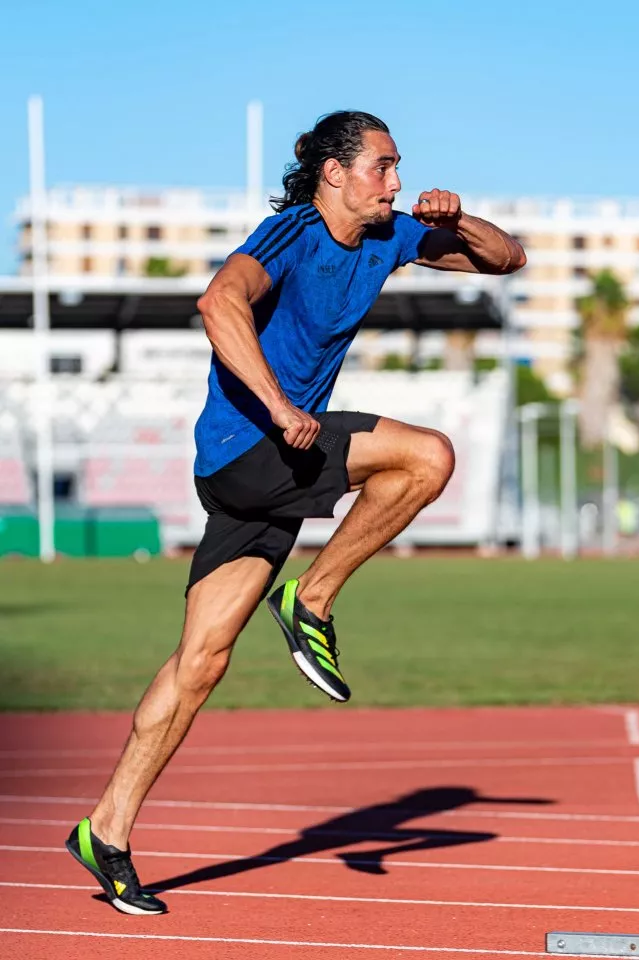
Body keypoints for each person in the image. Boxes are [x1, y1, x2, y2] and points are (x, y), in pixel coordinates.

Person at [64, 110, 526, 915]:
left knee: (200, 662)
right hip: (253, 452)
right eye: (383, 167)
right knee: (429, 456)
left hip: (270, 476)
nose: (397, 181)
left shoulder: (393, 235)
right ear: (334, 173)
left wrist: (461, 218)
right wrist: (277, 406)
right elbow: (217, 303)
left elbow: (506, 259)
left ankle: (105, 831)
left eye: (399, 167)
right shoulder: (290, 234)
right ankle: (311, 599)